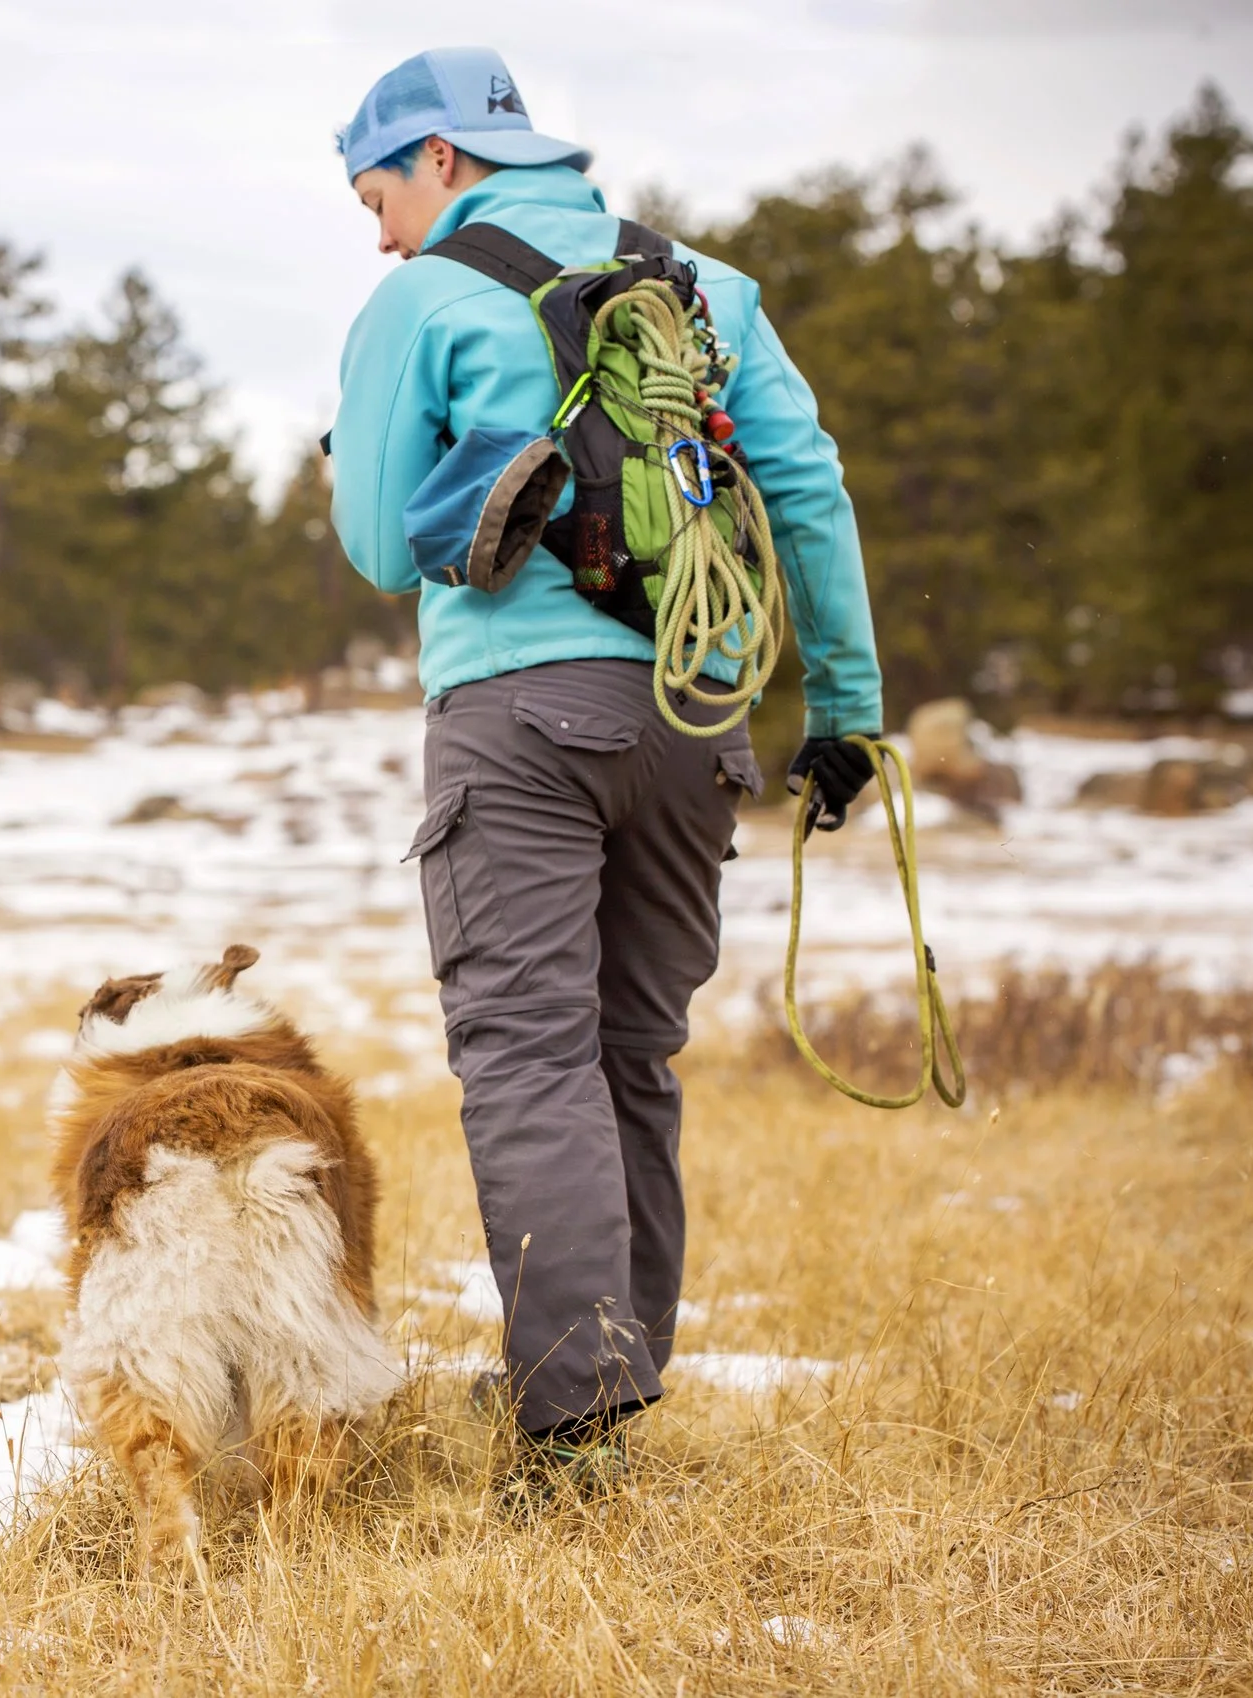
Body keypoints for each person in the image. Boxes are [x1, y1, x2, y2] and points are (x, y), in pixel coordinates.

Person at [326, 46, 885, 1502]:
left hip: (517, 724)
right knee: (630, 1056)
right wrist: (848, 707)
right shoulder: (704, 285)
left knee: (527, 1056)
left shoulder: (424, 296)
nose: (374, 225)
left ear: (441, 159)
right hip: (699, 717)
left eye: (374, 189)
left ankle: (568, 1423)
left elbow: (384, 549)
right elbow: (808, 487)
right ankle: (608, 1379)